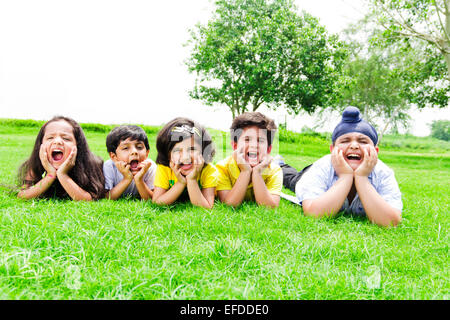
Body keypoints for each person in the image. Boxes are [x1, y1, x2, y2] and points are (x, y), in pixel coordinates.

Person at [279, 107, 402, 227]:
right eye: (345, 141)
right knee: (290, 179)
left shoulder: (383, 173)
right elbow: (313, 213)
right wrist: (345, 176)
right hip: (307, 175)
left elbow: (391, 222)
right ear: (333, 150)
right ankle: (280, 164)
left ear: (375, 151)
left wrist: (362, 178)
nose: (354, 145)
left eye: (363, 141)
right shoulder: (322, 168)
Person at [17, 116, 104, 200]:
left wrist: (63, 174)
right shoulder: (34, 163)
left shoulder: (90, 164)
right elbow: (23, 195)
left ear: (78, 145)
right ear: (41, 145)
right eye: (50, 138)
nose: (57, 141)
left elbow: (88, 199)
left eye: (66, 138)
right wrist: (50, 175)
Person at [216, 112, 282, 208]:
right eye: (247, 139)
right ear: (235, 146)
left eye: (260, 140)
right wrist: (245, 171)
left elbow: (270, 207)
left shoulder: (274, 170)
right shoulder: (223, 168)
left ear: (268, 149)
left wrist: (257, 172)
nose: (254, 145)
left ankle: (281, 161)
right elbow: (229, 205)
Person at [152, 117, 218, 209]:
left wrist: (192, 180)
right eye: (177, 150)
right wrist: (180, 182)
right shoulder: (164, 169)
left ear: (203, 152)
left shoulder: (209, 171)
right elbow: (157, 202)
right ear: (168, 155)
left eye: (192, 149)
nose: (185, 157)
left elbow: (206, 208)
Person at [104, 125, 156, 200]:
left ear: (147, 153)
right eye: (126, 148)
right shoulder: (109, 167)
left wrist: (139, 180)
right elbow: (106, 197)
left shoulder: (149, 166)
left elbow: (153, 199)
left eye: (139, 147)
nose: (134, 152)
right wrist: (126, 179)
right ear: (114, 156)